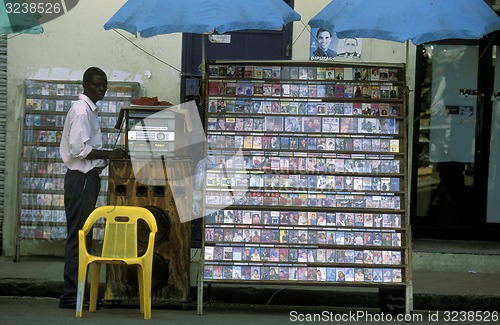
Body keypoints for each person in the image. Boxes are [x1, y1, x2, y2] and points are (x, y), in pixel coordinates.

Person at [59, 67, 127, 309]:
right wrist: (110, 154)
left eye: (105, 85)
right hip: (82, 179)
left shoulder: (88, 110)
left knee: (83, 235)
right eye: (98, 84)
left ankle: (77, 293)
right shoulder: (81, 110)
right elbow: (80, 150)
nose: (102, 89)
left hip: (88, 178)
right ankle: (70, 295)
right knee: (79, 235)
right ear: (85, 85)